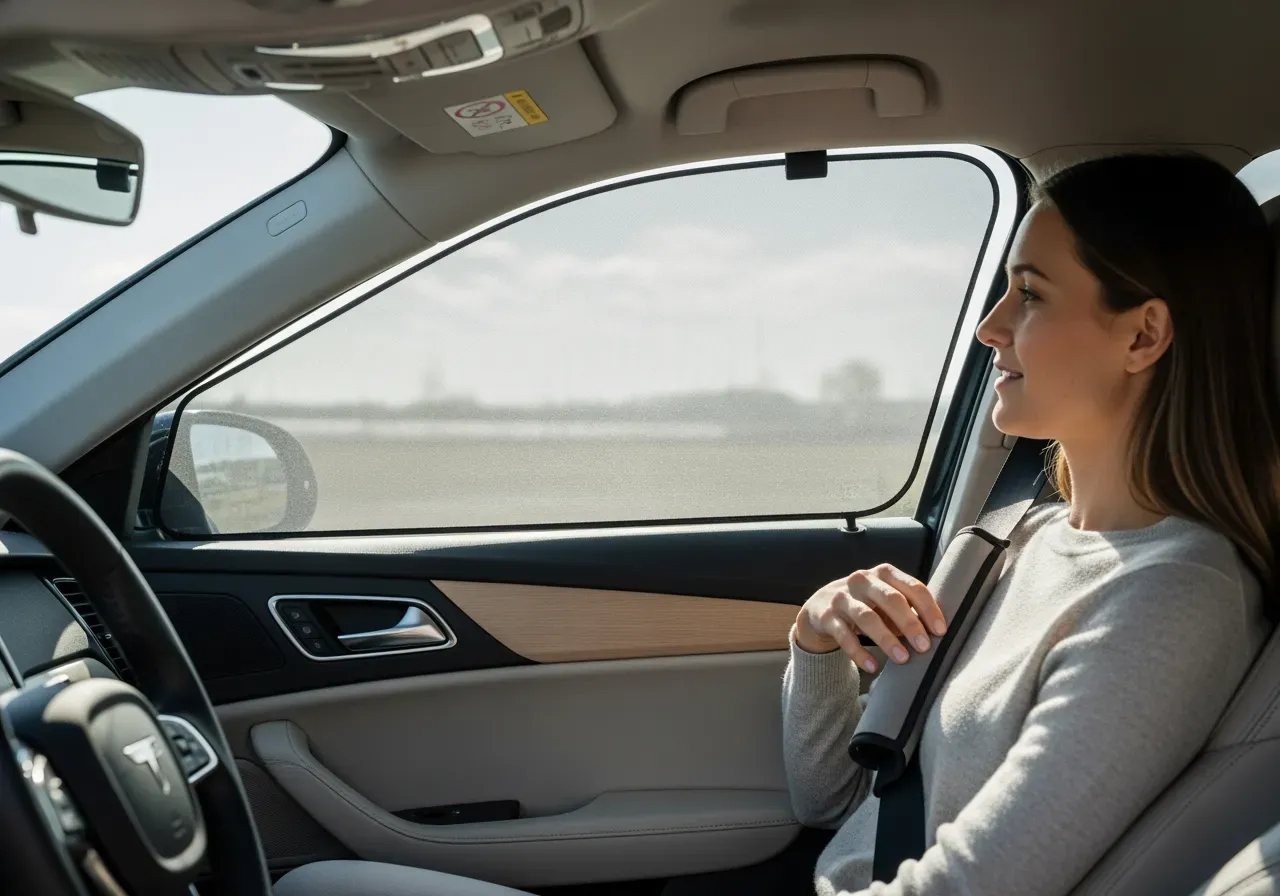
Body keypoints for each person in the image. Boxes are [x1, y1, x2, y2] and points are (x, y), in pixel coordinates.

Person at [783, 154, 1280, 896]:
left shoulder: (1169, 598)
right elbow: (840, 802)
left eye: (1029, 294)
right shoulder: (1025, 540)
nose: (990, 328)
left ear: (1143, 337)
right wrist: (819, 638)